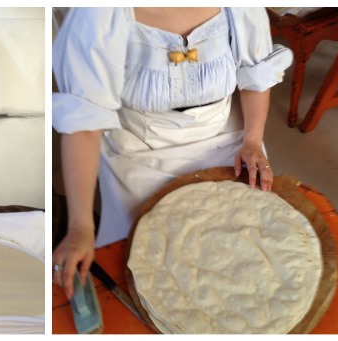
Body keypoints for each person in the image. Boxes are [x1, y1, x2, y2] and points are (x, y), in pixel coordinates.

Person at [52, 7, 292, 298]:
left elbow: (256, 73)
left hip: (227, 139)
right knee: (152, 270)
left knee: (248, 255)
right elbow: (84, 120)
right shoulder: (100, 13)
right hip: (140, 149)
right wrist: (80, 226)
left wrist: (252, 141)